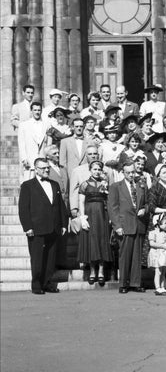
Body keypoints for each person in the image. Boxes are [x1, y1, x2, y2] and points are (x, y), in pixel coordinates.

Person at [18, 158, 68, 294]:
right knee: (37, 258)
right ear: (36, 169)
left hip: (54, 227)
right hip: (36, 228)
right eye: (43, 168)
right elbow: (23, 208)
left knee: (51, 259)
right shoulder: (27, 185)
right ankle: (36, 286)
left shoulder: (55, 184)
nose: (47, 170)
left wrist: (64, 223)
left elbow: (60, 206)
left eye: (48, 168)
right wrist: (27, 227)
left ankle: (47, 283)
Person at [108, 160, 149, 294]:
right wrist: (117, 226)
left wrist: (144, 209)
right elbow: (112, 208)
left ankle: (135, 282)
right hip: (124, 225)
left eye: (133, 172)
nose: (131, 175)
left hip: (139, 224)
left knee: (137, 256)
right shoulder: (116, 187)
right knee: (124, 255)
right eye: (128, 172)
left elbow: (148, 203)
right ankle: (123, 283)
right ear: (123, 173)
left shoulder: (141, 185)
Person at [77, 160, 113, 286]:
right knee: (92, 241)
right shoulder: (85, 184)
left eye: (99, 169)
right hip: (90, 214)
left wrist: (110, 216)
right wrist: (82, 217)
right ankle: (92, 271)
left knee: (102, 240)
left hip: (102, 214)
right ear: (90, 170)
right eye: (94, 169)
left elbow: (108, 200)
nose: (97, 172)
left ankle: (101, 271)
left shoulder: (105, 183)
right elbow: (81, 201)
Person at [18, 102, 48, 181]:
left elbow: (47, 143)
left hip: (42, 161)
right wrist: (24, 158)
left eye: (39, 110)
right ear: (31, 111)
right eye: (35, 110)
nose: (37, 112)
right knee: (28, 185)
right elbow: (21, 143)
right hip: (29, 161)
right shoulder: (24, 125)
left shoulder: (46, 125)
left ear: (41, 111)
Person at [148, 214, 166, 296]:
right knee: (158, 271)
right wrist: (163, 246)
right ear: (158, 224)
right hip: (157, 254)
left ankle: (162, 287)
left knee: (163, 271)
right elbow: (151, 243)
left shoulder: (165, 234)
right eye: (165, 223)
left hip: (164, 254)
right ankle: (157, 287)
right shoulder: (153, 233)